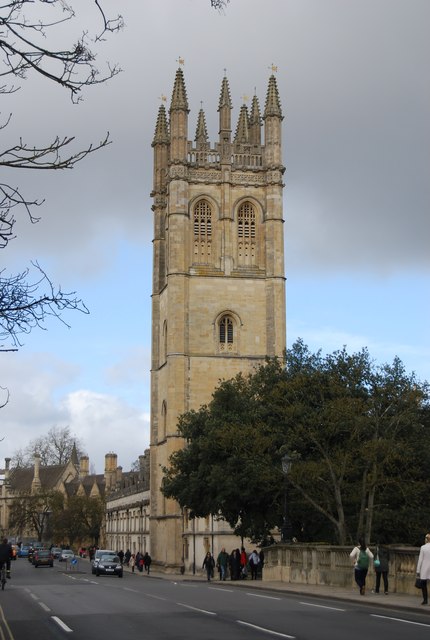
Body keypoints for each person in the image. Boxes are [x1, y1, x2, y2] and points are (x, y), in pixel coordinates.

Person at [416, 533, 430, 605]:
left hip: (424, 568)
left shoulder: (423, 547)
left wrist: (418, 570)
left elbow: (420, 560)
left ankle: (425, 600)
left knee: (424, 585)